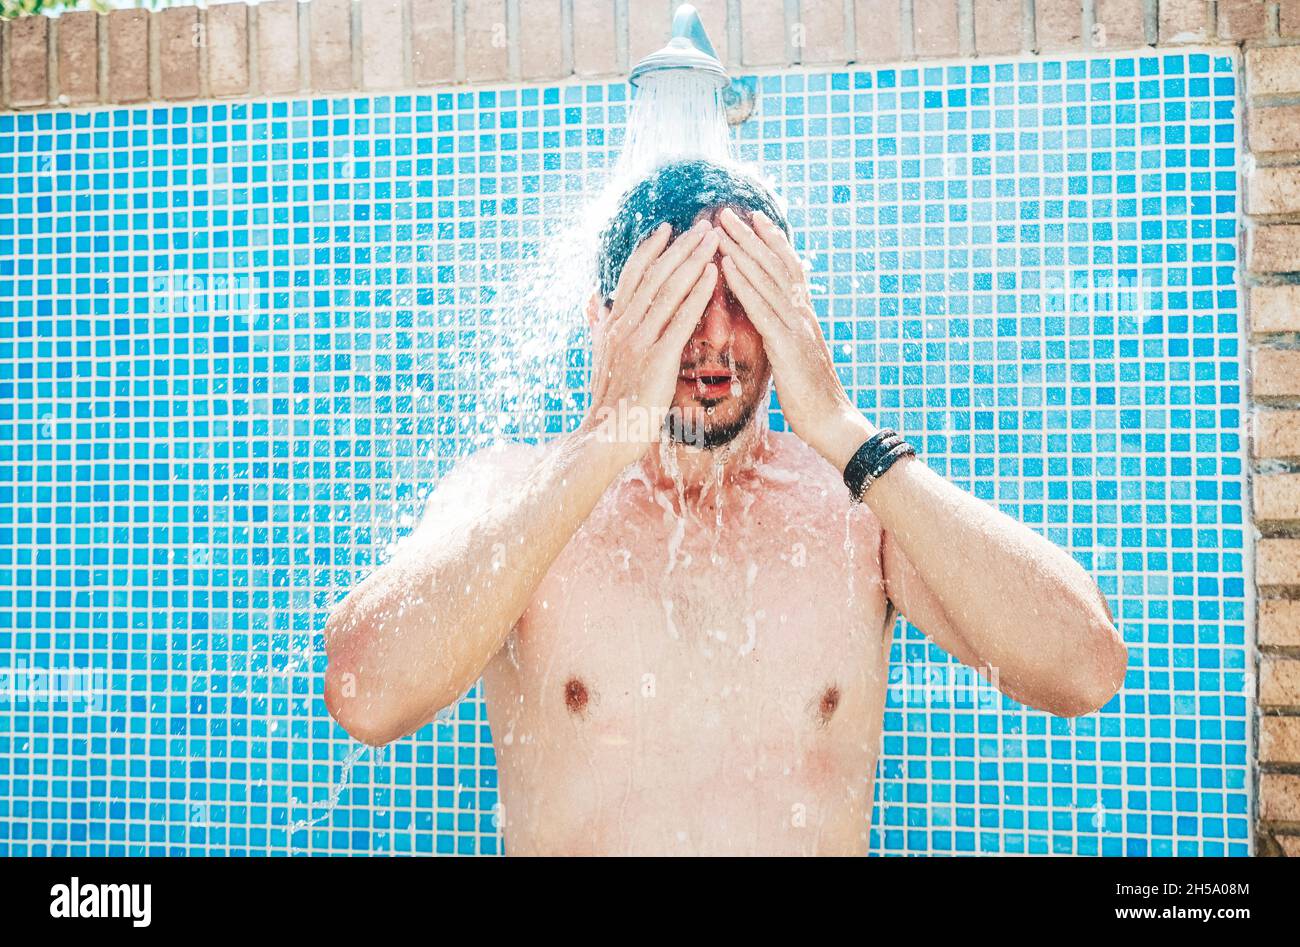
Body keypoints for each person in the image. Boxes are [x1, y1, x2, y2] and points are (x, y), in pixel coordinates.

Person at [323, 158, 1127, 856]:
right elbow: (366, 691)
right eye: (675, 303)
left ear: (792, 319)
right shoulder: (514, 496)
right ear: (604, 319)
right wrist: (605, 440)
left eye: (744, 298)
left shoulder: (857, 509)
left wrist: (844, 431)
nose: (712, 337)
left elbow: (1084, 669)